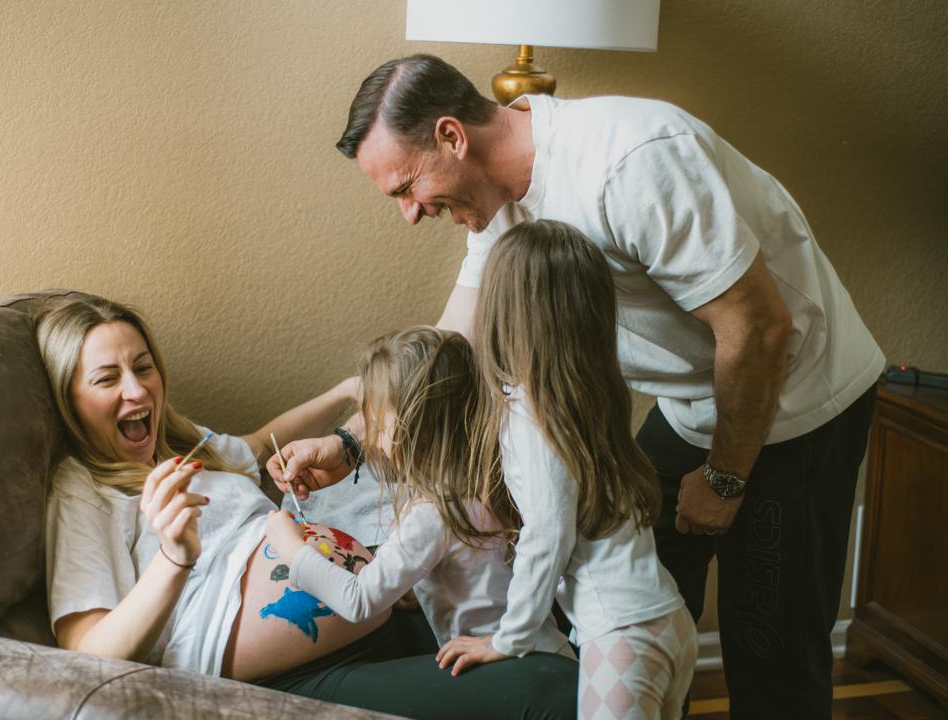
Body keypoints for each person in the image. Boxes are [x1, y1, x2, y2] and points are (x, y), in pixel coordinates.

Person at [276, 54, 885, 718]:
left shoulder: (629, 162)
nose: (410, 214)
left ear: (452, 137)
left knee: (770, 648)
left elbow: (758, 328)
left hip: (795, 396)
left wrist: (725, 479)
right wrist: (351, 444)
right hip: (695, 402)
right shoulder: (498, 208)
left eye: (405, 187)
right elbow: (445, 358)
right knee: (634, 585)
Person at [39, 296, 573, 719]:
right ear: (69, 398)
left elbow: (254, 445)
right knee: (549, 689)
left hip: (378, 612)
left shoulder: (182, 444)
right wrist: (174, 558)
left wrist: (348, 394)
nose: (136, 390)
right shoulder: (81, 489)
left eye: (143, 367)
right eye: (107, 378)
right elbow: (86, 655)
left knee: (549, 637)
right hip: (293, 677)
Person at [435, 219, 696, 717]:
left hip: (621, 638)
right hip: (666, 617)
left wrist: (509, 637)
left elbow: (547, 535)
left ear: (502, 311)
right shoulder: (587, 399)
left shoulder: (532, 419)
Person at [265, 326, 578, 719]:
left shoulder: (433, 514)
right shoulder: (486, 473)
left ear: (406, 430)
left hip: (515, 669)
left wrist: (291, 547)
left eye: (377, 425)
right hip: (548, 646)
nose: (375, 441)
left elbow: (359, 601)